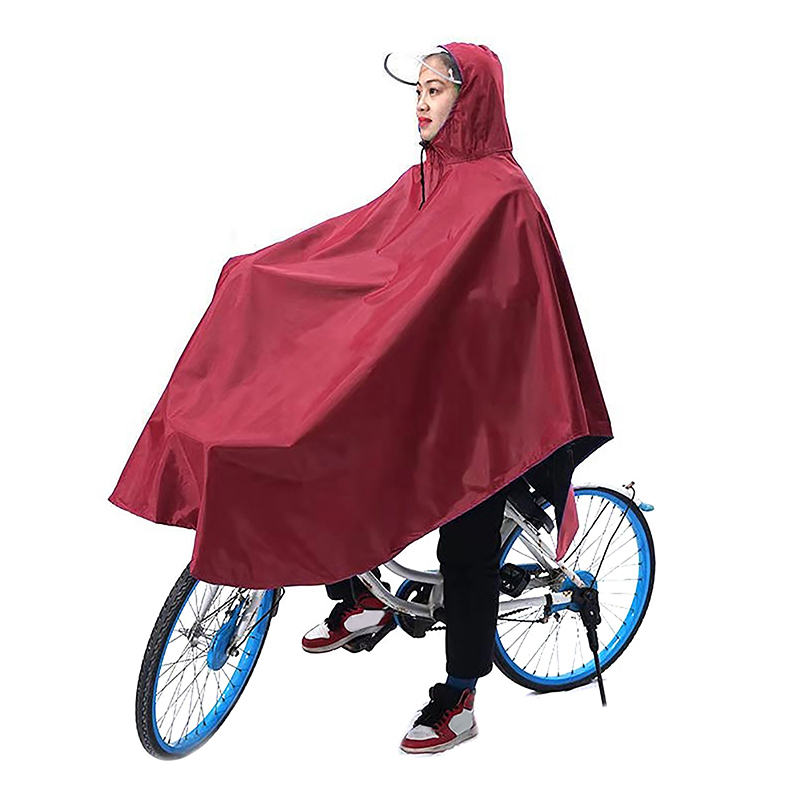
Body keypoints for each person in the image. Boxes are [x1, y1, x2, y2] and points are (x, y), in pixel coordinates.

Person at [301, 49, 510, 756]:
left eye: (436, 90)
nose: (420, 103)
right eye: (417, 91)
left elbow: (506, 312)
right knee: (329, 447)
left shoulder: (503, 193)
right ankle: (365, 597)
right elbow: (362, 254)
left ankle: (461, 697)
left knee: (467, 541)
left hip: (489, 406)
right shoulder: (423, 179)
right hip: (424, 383)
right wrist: (272, 278)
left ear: (470, 99)